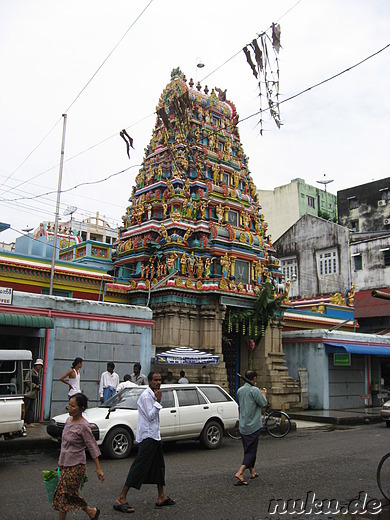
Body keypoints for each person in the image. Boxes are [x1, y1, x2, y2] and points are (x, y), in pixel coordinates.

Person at [113, 372, 175, 513]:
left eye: (160, 380)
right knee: (139, 467)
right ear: (149, 381)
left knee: (159, 466)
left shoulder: (153, 395)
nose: (158, 382)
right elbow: (151, 416)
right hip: (148, 437)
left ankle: (161, 496)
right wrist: (158, 402)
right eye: (155, 380)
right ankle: (121, 498)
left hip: (154, 436)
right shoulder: (147, 396)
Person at [53, 393, 104, 519]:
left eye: (73, 406)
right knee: (69, 495)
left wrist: (98, 468)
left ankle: (90, 512)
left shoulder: (84, 426)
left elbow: (92, 446)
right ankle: (91, 512)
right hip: (65, 464)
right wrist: (60, 462)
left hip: (76, 465)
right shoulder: (68, 420)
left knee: (63, 494)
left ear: (81, 408)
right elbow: (64, 444)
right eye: (69, 405)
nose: (69, 408)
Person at [234, 370, 267, 486]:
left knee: (248, 449)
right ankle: (240, 472)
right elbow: (263, 403)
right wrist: (263, 394)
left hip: (243, 424)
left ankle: (252, 471)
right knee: (252, 451)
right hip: (253, 424)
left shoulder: (240, 390)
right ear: (254, 379)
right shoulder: (254, 390)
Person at [24, 358, 44, 428]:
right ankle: (24, 422)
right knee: (26, 409)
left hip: (33, 394)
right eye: (38, 365)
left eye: (40, 366)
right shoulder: (31, 372)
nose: (39, 367)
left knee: (31, 409)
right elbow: (27, 380)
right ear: (35, 365)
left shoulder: (37, 373)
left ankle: (28, 422)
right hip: (29, 393)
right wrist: (34, 386)